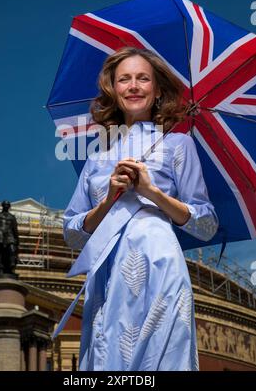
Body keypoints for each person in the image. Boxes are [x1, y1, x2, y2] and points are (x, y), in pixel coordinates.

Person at [61, 47, 219, 371]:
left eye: (143, 78)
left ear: (157, 89)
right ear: (113, 90)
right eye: (125, 79)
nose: (134, 86)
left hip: (160, 264)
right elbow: (72, 235)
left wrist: (151, 192)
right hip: (107, 273)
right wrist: (107, 201)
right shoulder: (96, 159)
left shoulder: (178, 145)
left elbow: (206, 225)